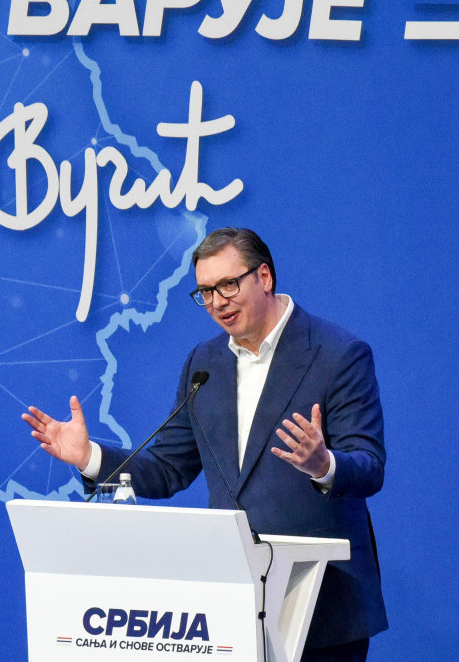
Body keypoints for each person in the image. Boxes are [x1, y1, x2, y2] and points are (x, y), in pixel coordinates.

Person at [22, 228, 387, 662]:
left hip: (321, 605)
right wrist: (89, 457)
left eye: (228, 285)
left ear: (264, 277)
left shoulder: (338, 354)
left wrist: (323, 464)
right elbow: (167, 469)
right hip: (233, 607)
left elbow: (369, 465)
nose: (217, 302)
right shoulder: (205, 363)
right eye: (206, 292)